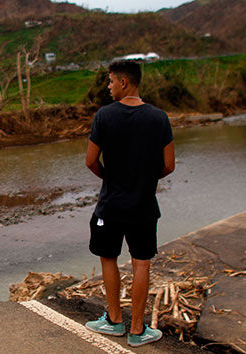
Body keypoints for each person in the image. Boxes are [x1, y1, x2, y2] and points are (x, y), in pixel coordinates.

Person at [84, 60, 175, 347]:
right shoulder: (159, 118)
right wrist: (145, 179)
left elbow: (90, 161)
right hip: (144, 206)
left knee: (108, 258)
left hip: (110, 205)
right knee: (141, 263)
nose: (108, 87)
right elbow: (169, 166)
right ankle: (137, 330)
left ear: (124, 82)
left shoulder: (104, 116)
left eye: (110, 81)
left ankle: (114, 320)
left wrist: (109, 178)